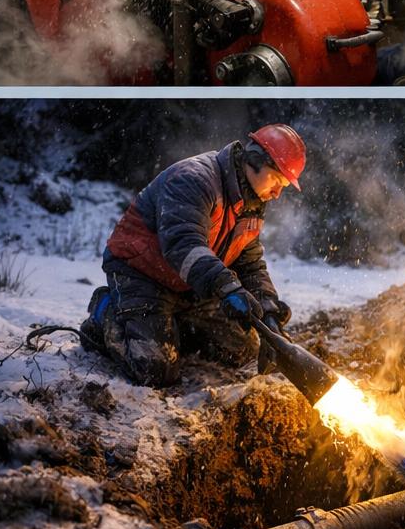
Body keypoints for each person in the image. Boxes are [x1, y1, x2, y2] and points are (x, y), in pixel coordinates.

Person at [79, 125, 305, 388]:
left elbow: (249, 261)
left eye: (284, 186)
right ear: (254, 160)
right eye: (277, 181)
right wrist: (227, 287)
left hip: (189, 283)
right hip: (141, 273)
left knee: (240, 351)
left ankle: (168, 324)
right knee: (155, 371)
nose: (278, 193)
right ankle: (105, 312)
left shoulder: (251, 202)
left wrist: (267, 308)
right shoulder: (193, 180)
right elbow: (183, 245)